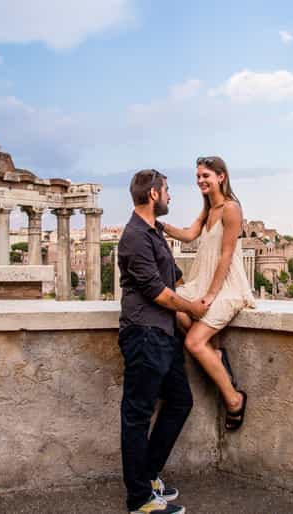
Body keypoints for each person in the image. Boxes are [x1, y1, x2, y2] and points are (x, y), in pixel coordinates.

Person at [118, 169, 208, 514]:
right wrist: (194, 308)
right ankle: (139, 500)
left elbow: (176, 277)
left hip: (164, 335)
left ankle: (148, 475)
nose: (171, 196)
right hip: (143, 333)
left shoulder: (154, 233)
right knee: (136, 416)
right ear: (153, 194)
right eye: (167, 190)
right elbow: (159, 292)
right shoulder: (134, 237)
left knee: (181, 401)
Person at [161, 156, 255, 432]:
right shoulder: (208, 208)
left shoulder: (231, 208)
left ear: (221, 177)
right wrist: (160, 225)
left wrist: (213, 294)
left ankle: (234, 399)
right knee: (176, 307)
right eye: (199, 176)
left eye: (206, 176)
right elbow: (190, 235)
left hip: (226, 284)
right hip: (203, 280)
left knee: (193, 343)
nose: (201, 180)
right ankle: (217, 356)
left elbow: (226, 255)